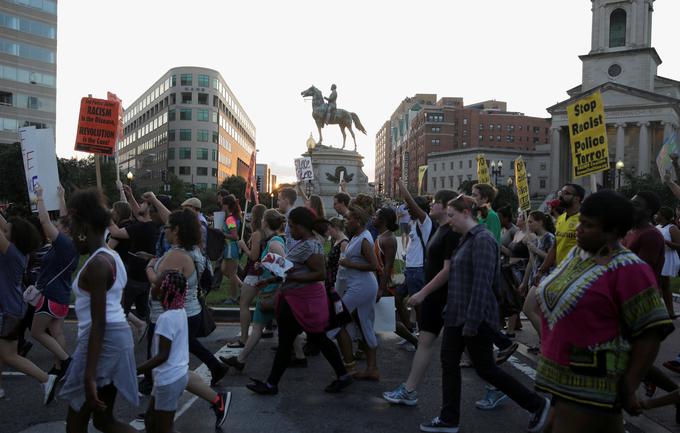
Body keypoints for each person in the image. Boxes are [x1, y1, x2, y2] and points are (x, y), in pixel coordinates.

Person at [535, 190, 673, 433]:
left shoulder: (630, 269)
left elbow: (650, 333)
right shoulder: (579, 255)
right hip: (564, 381)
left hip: (593, 382)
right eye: (580, 222)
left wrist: (629, 385)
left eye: (588, 225)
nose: (579, 229)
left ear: (612, 231)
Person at [419, 194, 549, 433]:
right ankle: (449, 418)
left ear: (466, 213)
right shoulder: (464, 239)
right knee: (450, 363)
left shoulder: (483, 239)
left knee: (486, 369)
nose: (448, 221)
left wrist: (471, 323)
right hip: (456, 314)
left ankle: (538, 405)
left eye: (452, 216)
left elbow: (482, 284)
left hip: (473, 317)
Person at [246, 207, 352, 395]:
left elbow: (319, 273)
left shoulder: (310, 245)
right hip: (296, 299)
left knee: (293, 341)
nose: (289, 230)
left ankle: (272, 384)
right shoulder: (304, 242)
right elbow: (293, 270)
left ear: (302, 227)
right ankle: (342, 375)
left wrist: (288, 278)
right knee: (304, 340)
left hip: (303, 301)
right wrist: (270, 279)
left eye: (292, 226)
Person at [59, 189, 139, 432]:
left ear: (83, 226)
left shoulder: (97, 264)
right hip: (118, 337)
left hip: (104, 340)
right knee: (104, 420)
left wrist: (89, 375)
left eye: (71, 227)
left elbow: (99, 323)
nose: (70, 234)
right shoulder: (111, 256)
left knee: (75, 421)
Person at [384, 189, 460, 407]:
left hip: (443, 294)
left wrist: (400, 186)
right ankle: (409, 390)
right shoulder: (436, 229)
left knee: (474, 356)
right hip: (430, 287)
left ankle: (512, 393)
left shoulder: (440, 228)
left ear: (446, 207)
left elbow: (447, 270)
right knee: (426, 343)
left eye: (435, 202)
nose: (431, 205)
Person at [146, 209, 228, 387]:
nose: (164, 231)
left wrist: (150, 267)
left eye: (167, 227)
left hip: (169, 313)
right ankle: (215, 367)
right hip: (189, 311)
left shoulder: (176, 256)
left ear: (176, 230)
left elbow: (158, 285)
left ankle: (151, 389)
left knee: (160, 358)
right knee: (186, 346)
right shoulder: (194, 250)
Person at [0, 212, 57, 405]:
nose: (4, 230)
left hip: (10, 311)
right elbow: (5, 224)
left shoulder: (12, 253)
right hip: (12, 307)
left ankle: (45, 379)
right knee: (3, 350)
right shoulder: (17, 250)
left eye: (6, 231)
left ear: (14, 237)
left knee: (9, 355)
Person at [221, 209, 286, 371]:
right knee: (261, 327)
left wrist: (245, 247)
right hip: (268, 289)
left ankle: (297, 356)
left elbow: (283, 267)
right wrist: (262, 264)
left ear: (265, 222)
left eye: (263, 218)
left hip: (272, 291)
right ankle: (241, 360)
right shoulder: (272, 240)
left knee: (283, 327)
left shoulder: (274, 242)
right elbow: (275, 264)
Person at [30, 184, 78, 379]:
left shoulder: (64, 244)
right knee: (56, 331)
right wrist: (62, 197)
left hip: (51, 296)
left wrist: (39, 197)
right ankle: (59, 367)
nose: (56, 225)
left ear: (65, 230)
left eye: (59, 225)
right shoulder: (70, 243)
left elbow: (43, 221)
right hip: (62, 295)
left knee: (36, 332)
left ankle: (67, 361)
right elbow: (64, 218)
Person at [137, 270, 189, 433]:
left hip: (169, 380)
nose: (152, 288)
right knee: (151, 421)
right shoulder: (180, 312)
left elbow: (162, 355)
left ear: (165, 290)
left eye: (155, 285)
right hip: (172, 377)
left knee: (164, 428)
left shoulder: (166, 319)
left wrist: (135, 370)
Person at [333, 206, 381, 380]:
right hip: (358, 285)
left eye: (349, 220)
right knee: (364, 325)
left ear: (358, 221)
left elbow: (374, 265)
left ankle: (351, 366)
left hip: (362, 287)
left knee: (337, 321)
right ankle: (371, 368)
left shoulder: (364, 239)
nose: (346, 222)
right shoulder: (357, 237)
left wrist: (348, 264)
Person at [396, 179, 432, 336]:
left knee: (418, 305)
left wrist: (400, 183)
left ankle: (422, 334)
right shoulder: (414, 223)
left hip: (417, 271)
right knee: (398, 298)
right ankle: (411, 330)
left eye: (410, 208)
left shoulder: (426, 223)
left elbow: (411, 202)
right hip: (410, 270)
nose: (407, 210)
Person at [229, 203, 266, 348]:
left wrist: (243, 246)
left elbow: (254, 256)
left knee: (243, 304)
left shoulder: (257, 234)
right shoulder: (264, 233)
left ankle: (244, 338)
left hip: (255, 273)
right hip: (261, 273)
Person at [534, 183, 584, 282]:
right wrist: (541, 270)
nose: (560, 196)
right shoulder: (561, 218)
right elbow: (555, 247)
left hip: (576, 275)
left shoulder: (583, 220)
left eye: (566, 193)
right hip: (560, 272)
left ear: (576, 199)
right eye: (561, 192)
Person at [520, 211, 555, 336]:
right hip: (535, 279)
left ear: (540, 222)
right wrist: (524, 282)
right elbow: (531, 262)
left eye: (531, 221)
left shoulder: (549, 237)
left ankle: (547, 339)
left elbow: (552, 258)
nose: (528, 224)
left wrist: (535, 250)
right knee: (539, 312)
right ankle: (543, 341)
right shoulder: (535, 239)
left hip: (546, 278)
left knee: (528, 309)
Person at [622, 191, 665, 284]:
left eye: (636, 205)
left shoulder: (651, 235)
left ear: (648, 211)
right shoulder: (630, 231)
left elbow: (641, 272)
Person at [655, 206, 680, 318]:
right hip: (658, 257)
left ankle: (670, 312)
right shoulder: (657, 227)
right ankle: (662, 311)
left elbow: (678, 245)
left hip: (668, 257)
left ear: (663, 216)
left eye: (658, 214)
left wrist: (664, 241)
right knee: (659, 284)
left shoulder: (672, 228)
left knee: (664, 284)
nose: (656, 216)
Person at [221, 194, 242, 304]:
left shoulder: (229, 219)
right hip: (229, 248)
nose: (221, 207)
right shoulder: (232, 217)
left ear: (226, 205)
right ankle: (242, 288)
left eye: (223, 204)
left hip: (231, 248)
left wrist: (221, 234)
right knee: (225, 270)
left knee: (232, 273)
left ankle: (233, 297)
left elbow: (235, 236)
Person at [326, 217, 349, 293]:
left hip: (337, 279)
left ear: (335, 228)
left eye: (329, 229)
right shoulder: (335, 240)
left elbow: (343, 265)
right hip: (331, 276)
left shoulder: (344, 242)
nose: (328, 232)